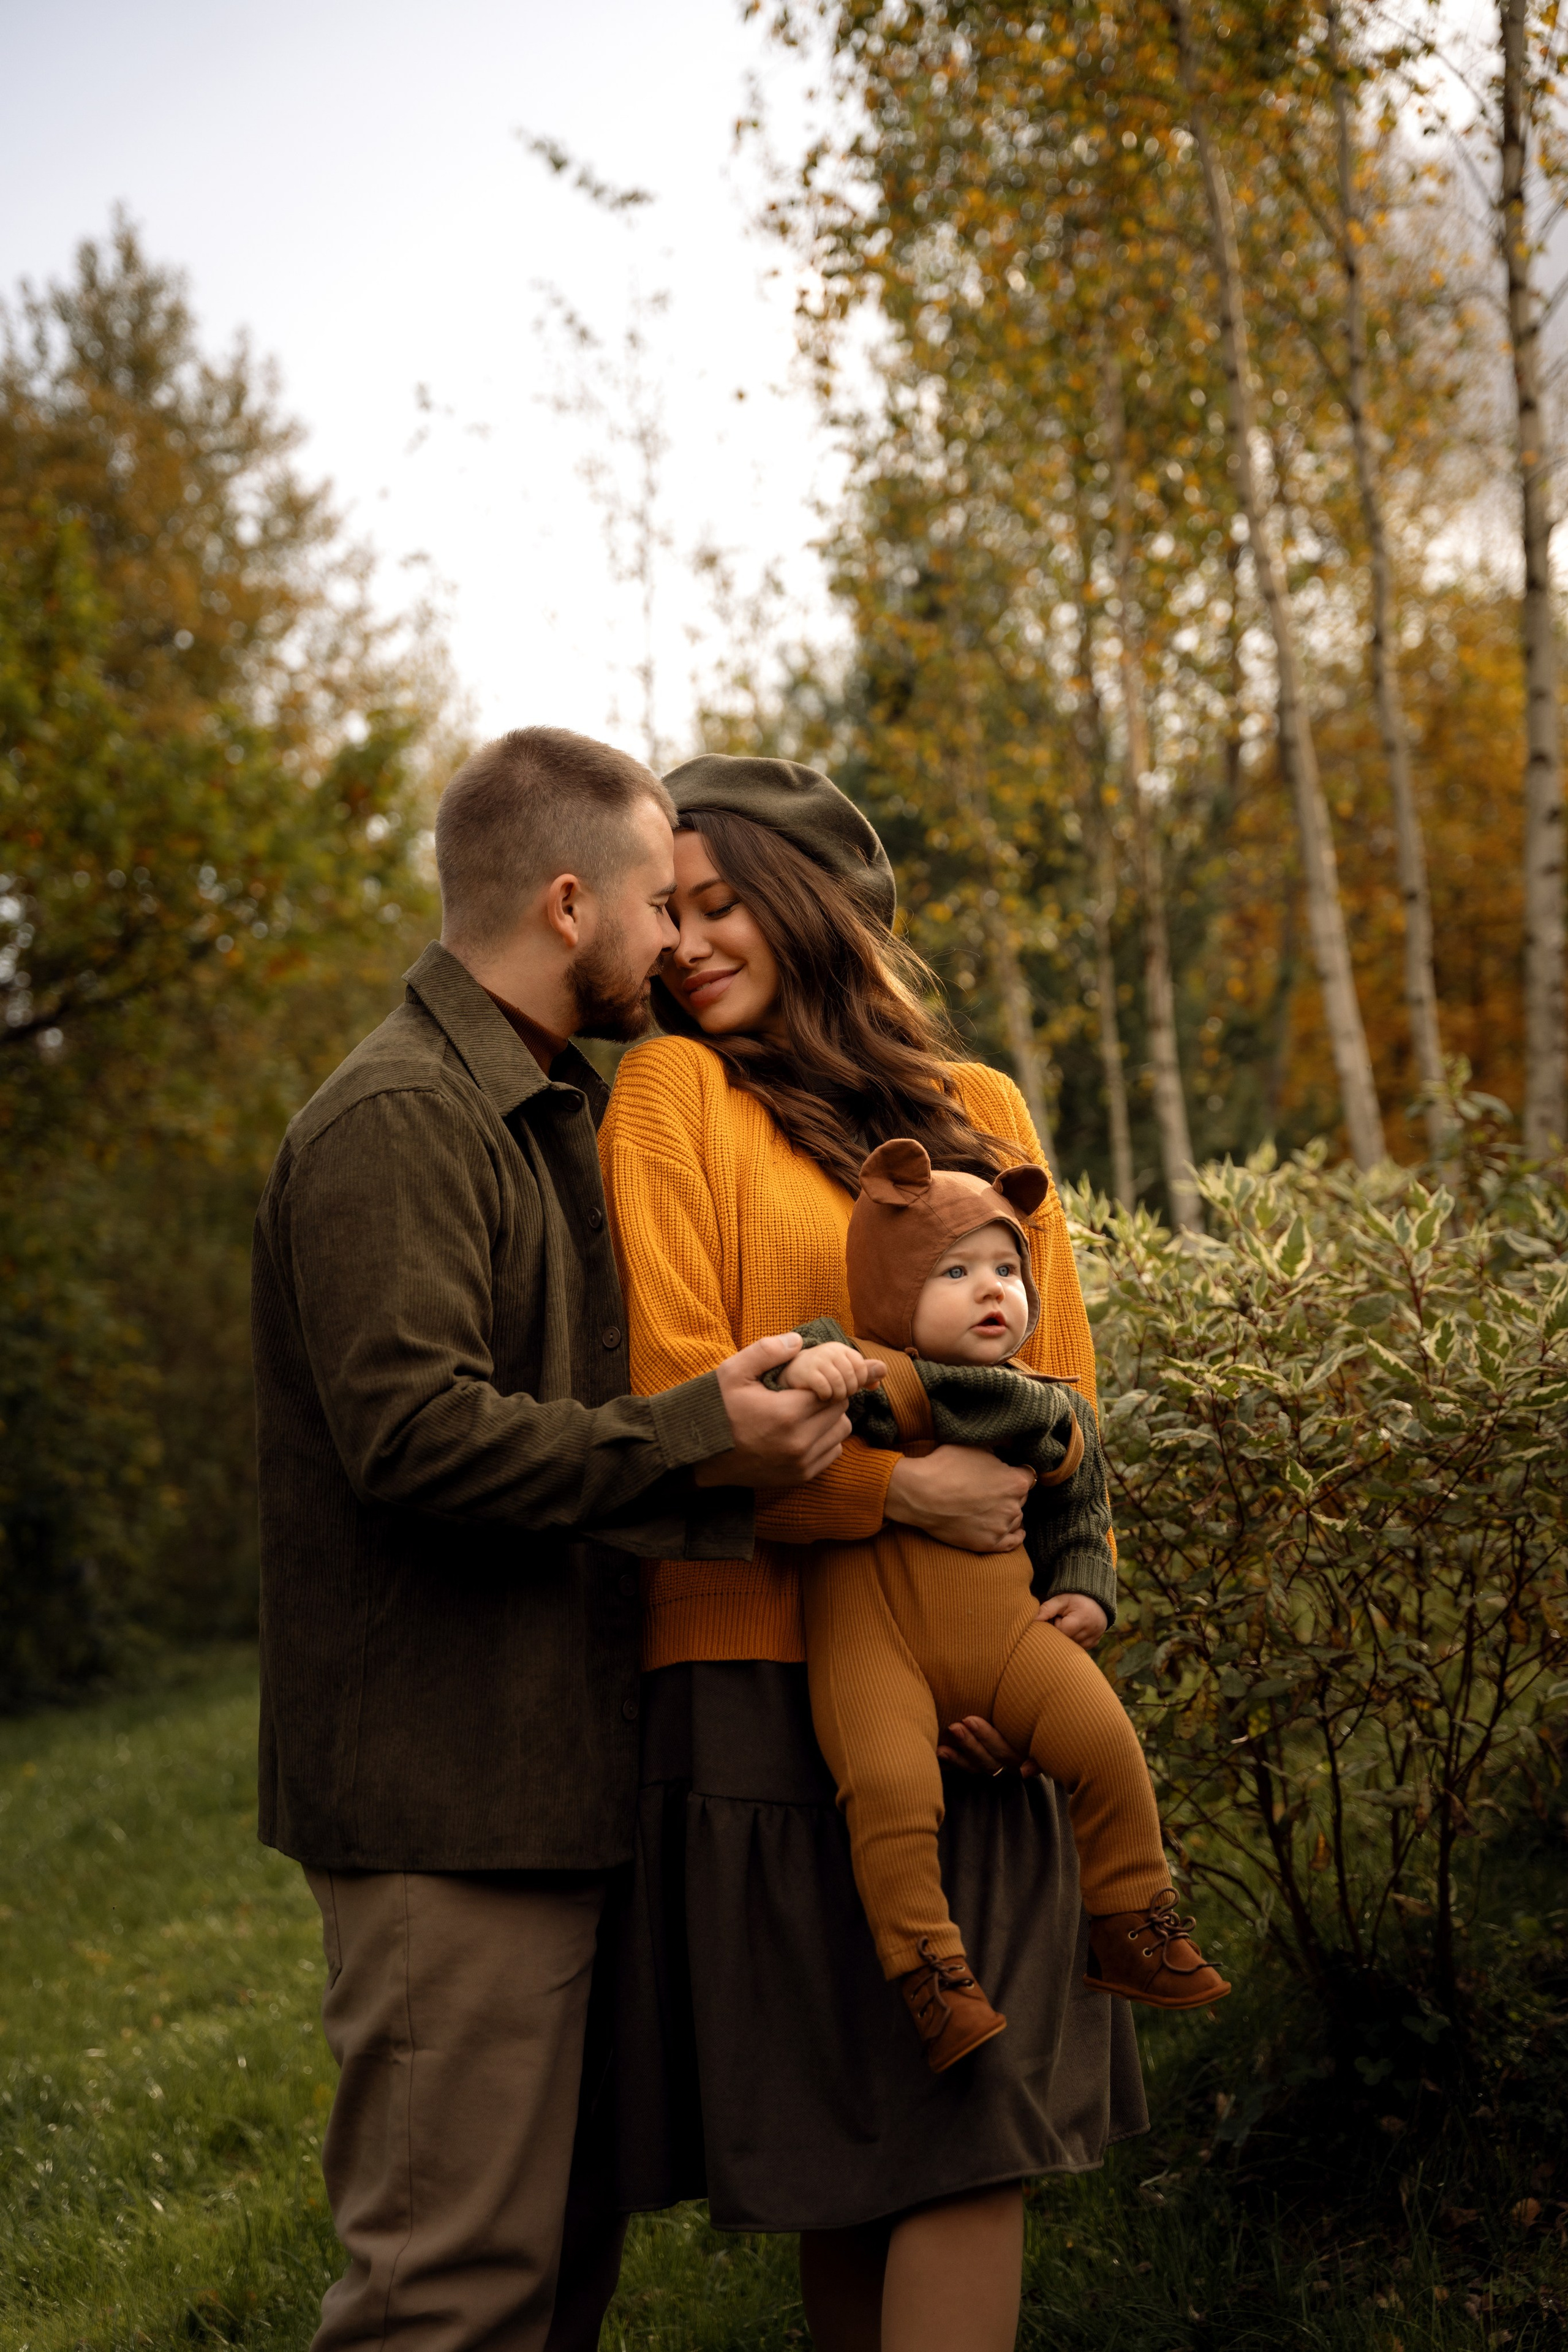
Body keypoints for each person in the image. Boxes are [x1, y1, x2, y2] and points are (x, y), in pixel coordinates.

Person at [251, 727, 878, 2352]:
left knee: (552, 2283)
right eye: (658, 903)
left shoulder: (538, 1112)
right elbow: (411, 1438)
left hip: (555, 1788)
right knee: (446, 2295)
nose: (682, 942)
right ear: (563, 903)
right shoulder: (397, 1120)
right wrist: (702, 1439)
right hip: (444, 1806)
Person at [597, 753, 1149, 2352]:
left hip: (985, 1682)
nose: (687, 943)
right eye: (667, 912)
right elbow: (677, 1387)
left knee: (972, 2143)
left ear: (810, 905)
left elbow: (1064, 1406)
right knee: (842, 2154)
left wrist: (1041, 1635)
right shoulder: (671, 1094)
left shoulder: (985, 1115)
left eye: (719, 904)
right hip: (757, 1680)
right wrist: (888, 1503)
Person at [770, 1138, 1230, 2074]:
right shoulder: (860, 1368)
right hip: (873, 1648)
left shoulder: (1049, 1408)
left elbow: (1080, 1511)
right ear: (894, 1282)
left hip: (1010, 1639)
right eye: (955, 1271)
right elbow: (779, 1406)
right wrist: (810, 1373)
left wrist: (1086, 1594)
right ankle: (930, 1973)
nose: (993, 1291)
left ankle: (1132, 1920)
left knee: (1106, 1747)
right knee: (891, 1796)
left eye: (1006, 1271)